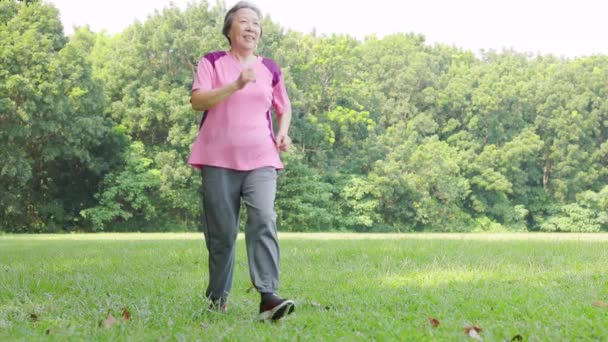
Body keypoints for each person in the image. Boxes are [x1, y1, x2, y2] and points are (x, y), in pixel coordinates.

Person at [188, 1, 295, 321]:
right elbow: (197, 101)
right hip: (217, 158)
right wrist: (235, 85)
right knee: (221, 235)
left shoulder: (270, 68)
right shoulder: (212, 62)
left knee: (263, 217)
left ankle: (268, 297)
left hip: (261, 157)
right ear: (229, 29)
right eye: (245, 22)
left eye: (257, 24)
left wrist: (283, 132)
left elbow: (283, 107)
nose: (252, 28)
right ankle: (217, 298)